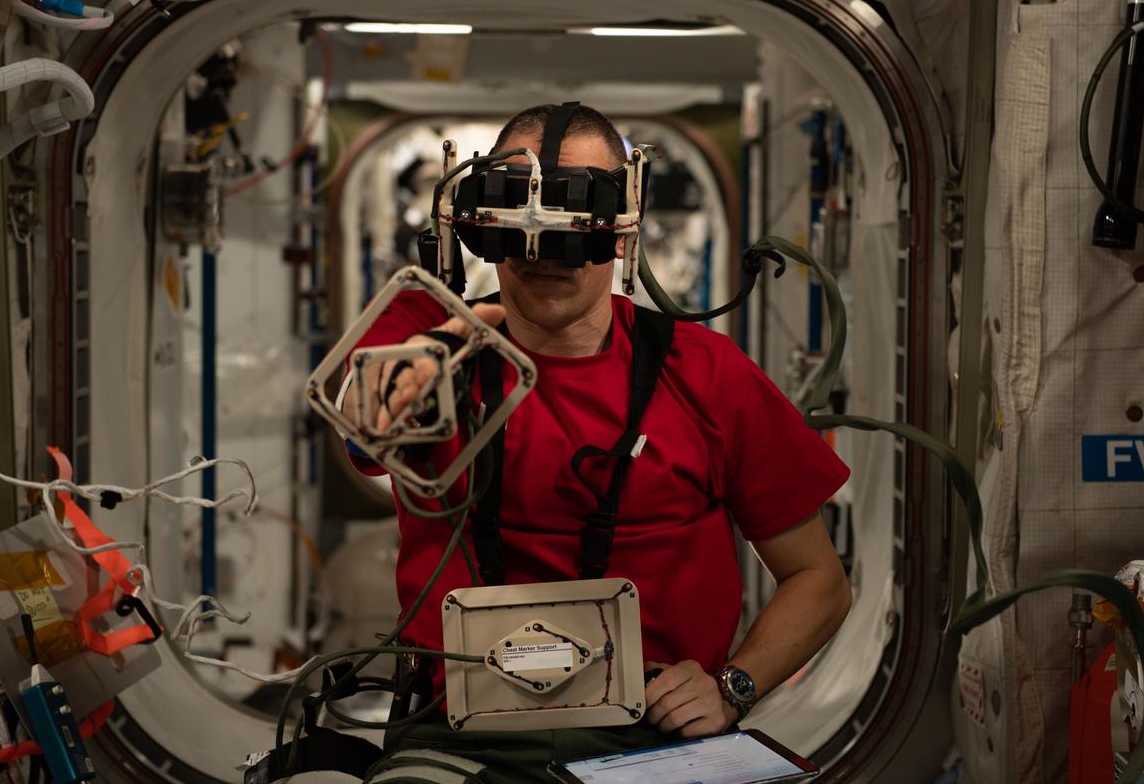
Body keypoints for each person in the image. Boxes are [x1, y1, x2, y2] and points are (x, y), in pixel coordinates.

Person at [340, 103, 851, 777]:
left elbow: (819, 579)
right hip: (457, 739)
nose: (544, 254)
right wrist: (397, 391)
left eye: (572, 222)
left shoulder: (706, 374)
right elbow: (365, 416)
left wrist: (733, 687)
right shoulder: (425, 336)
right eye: (522, 219)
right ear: (481, 223)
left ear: (621, 227)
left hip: (656, 741)